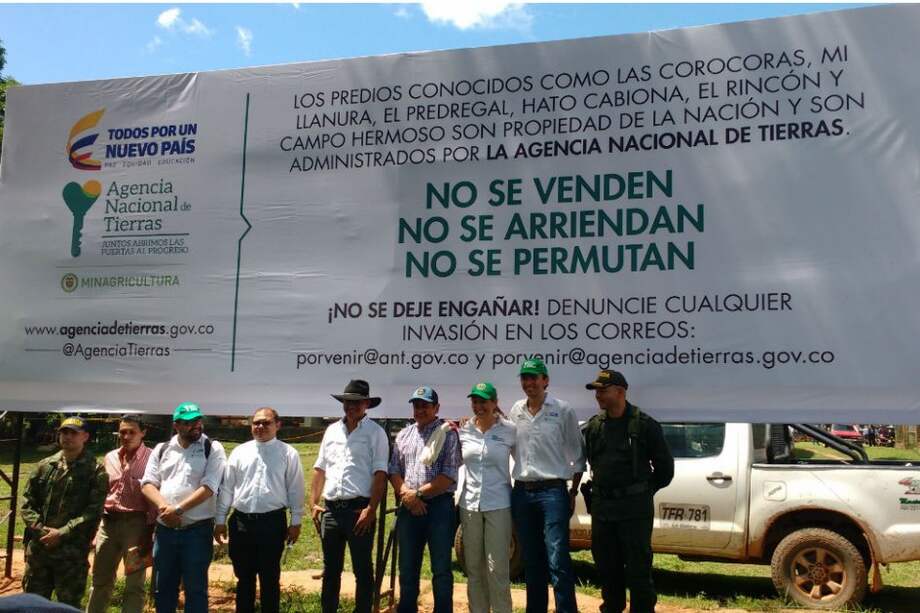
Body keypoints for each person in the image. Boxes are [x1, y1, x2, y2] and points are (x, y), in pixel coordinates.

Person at [583, 369, 674, 613]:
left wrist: (642, 491)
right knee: (607, 570)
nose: (598, 396)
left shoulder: (645, 426)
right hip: (603, 511)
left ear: (620, 392)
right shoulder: (594, 427)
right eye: (596, 392)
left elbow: (666, 470)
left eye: (603, 390)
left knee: (638, 573)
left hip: (634, 512)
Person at [508, 358, 585, 613]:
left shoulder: (562, 410)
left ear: (546, 380)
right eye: (525, 378)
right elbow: (510, 447)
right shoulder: (516, 410)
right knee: (532, 561)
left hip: (553, 492)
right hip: (522, 492)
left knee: (557, 558)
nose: (529, 383)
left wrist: (572, 491)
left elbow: (577, 455)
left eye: (534, 377)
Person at [215, 407, 305, 613]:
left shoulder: (288, 453)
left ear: (278, 425)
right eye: (256, 423)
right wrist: (220, 520)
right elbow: (227, 488)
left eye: (266, 422)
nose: (260, 427)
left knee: (270, 579)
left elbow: (296, 489)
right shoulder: (240, 451)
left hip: (272, 524)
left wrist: (296, 521)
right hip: (241, 523)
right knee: (243, 578)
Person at [311, 380, 389, 613]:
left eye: (356, 402)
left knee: (363, 570)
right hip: (331, 510)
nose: (351, 406)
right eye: (347, 402)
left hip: (359, 510)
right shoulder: (331, 430)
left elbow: (380, 473)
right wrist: (313, 503)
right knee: (331, 570)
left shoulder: (376, 433)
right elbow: (320, 468)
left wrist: (371, 509)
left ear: (366, 404)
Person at [141, 402, 227, 613]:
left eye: (198, 420)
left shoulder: (212, 448)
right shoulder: (162, 449)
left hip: (196, 531)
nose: (196, 425)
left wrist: (177, 510)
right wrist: (165, 509)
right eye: (189, 422)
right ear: (176, 425)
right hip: (165, 532)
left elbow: (209, 487)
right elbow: (147, 483)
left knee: (196, 590)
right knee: (163, 590)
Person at [20, 416, 108, 608]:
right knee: (32, 605)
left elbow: (93, 511)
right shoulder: (45, 466)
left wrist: (62, 532)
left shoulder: (96, 471)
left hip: (71, 555)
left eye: (73, 433)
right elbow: (27, 503)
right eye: (64, 432)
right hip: (40, 551)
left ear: (85, 436)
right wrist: (41, 531)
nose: (67, 437)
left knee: (67, 606)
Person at [389, 386, 462, 613]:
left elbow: (448, 475)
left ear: (436, 408)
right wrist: (407, 495)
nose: (420, 410)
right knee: (408, 568)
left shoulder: (447, 433)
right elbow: (394, 471)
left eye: (425, 405)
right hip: (409, 508)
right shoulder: (404, 434)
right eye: (417, 405)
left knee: (441, 569)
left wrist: (417, 494)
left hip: (439, 508)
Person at [87, 414, 157, 613]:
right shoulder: (110, 457)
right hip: (108, 524)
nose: (126, 436)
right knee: (100, 580)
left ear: (143, 433)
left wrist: (149, 531)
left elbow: (154, 495)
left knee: (134, 584)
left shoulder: (153, 458)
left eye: (131, 432)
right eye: (122, 432)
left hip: (137, 526)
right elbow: (102, 491)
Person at [458, 382, 516, 613]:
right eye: (475, 401)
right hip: (469, 504)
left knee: (497, 569)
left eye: (483, 401)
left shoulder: (509, 430)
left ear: (495, 403)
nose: (478, 406)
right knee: (473, 569)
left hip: (499, 504)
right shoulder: (463, 430)